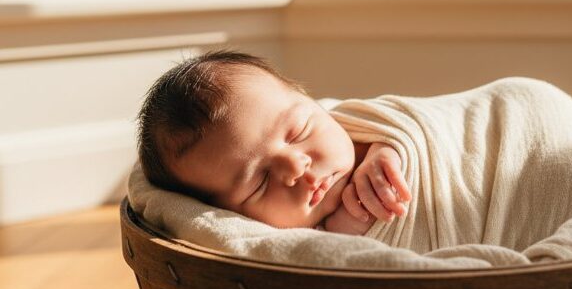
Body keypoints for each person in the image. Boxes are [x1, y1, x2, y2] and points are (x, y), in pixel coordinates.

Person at [137, 51, 411, 235]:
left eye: (298, 132)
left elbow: (428, 121)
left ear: (311, 101)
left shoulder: (365, 125)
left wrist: (390, 147)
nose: (296, 167)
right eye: (260, 182)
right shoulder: (279, 252)